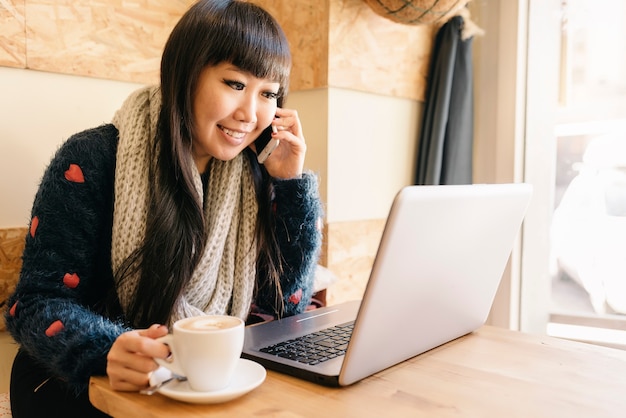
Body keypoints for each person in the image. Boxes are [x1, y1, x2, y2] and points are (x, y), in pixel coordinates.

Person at [4, 0, 323, 416]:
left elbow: (283, 313)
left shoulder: (257, 175)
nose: (250, 114)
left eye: (268, 93)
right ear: (185, 74)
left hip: (200, 379)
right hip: (83, 380)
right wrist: (104, 349)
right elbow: (34, 302)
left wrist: (290, 186)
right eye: (234, 83)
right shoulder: (93, 159)